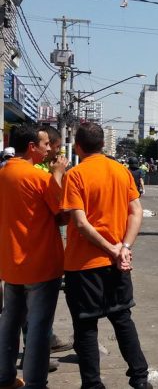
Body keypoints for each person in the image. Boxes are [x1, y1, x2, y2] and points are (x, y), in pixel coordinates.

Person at [60, 123, 151, 389]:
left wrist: (114, 249)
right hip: (116, 262)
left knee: (86, 326)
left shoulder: (75, 175)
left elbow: (79, 222)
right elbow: (136, 211)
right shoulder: (121, 171)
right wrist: (124, 247)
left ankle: (92, 384)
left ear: (77, 146)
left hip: (84, 264)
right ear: (102, 144)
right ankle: (140, 378)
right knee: (122, 318)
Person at [0, 124, 68, 389]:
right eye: (45, 144)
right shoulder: (38, 178)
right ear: (31, 147)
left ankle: (5, 377)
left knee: (9, 321)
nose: (49, 148)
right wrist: (58, 175)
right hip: (40, 263)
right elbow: (62, 214)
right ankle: (36, 383)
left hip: (11, 262)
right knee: (39, 328)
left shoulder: (4, 173)